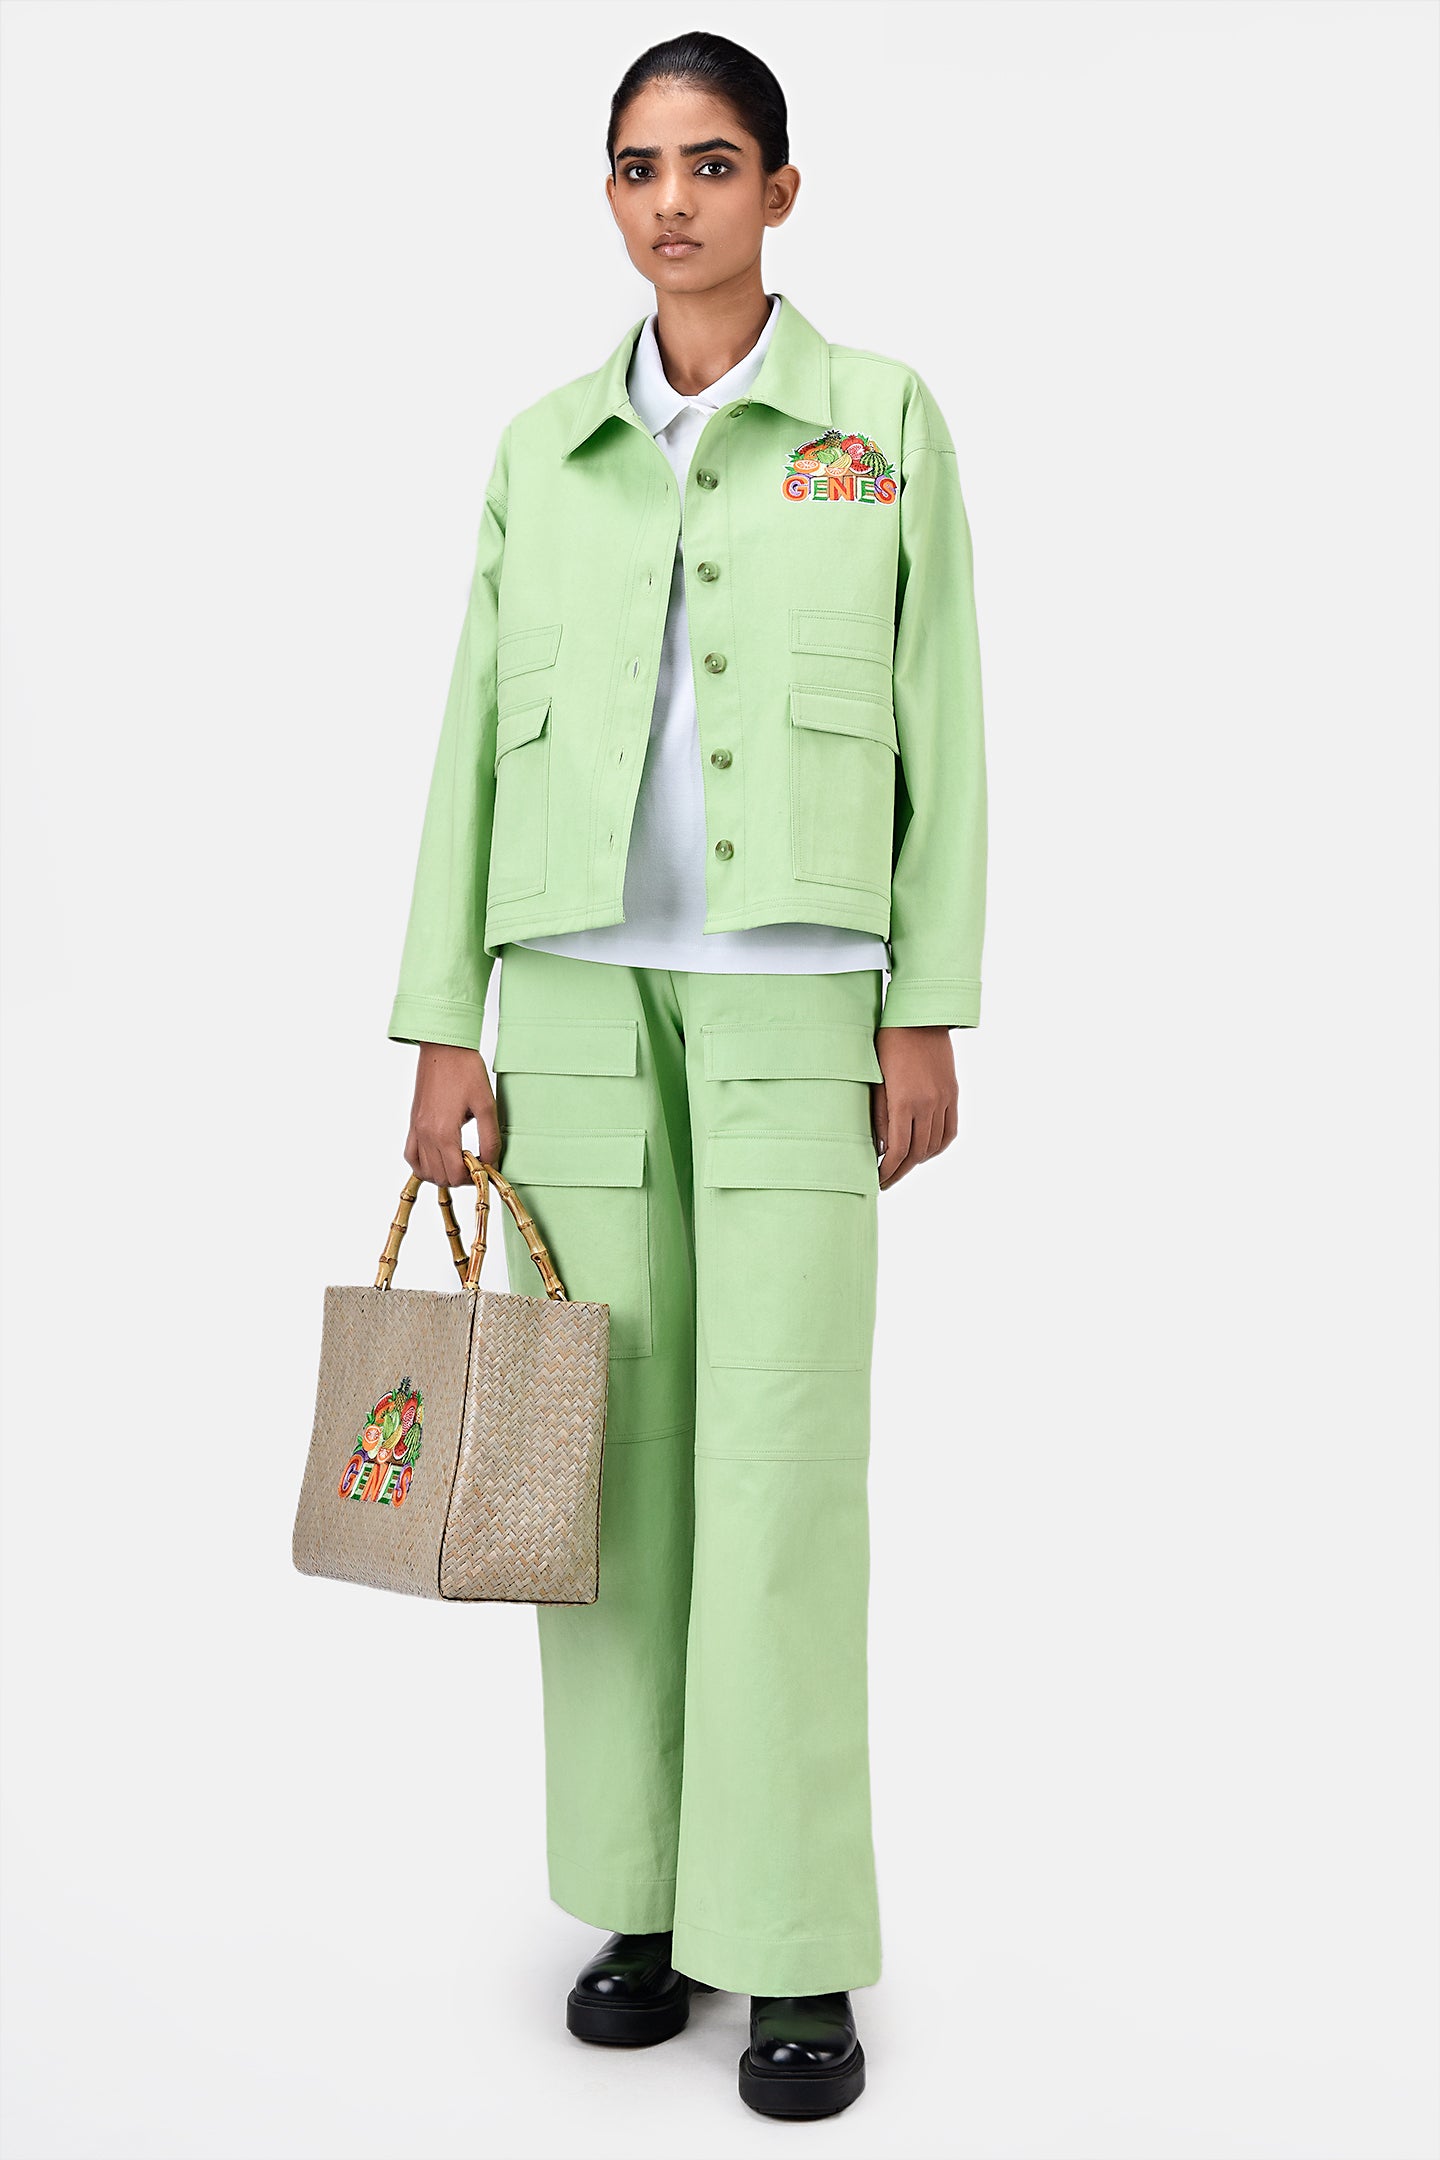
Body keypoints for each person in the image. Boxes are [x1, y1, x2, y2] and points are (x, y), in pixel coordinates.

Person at [387, 29, 986, 2123]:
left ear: (781, 192)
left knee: (783, 1473)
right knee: (597, 1477)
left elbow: (944, 718)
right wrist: (440, 1019)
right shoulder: (540, 446)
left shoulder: (877, 425)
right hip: (567, 1006)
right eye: (640, 165)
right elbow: (470, 731)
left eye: (714, 163)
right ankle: (642, 1903)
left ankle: (791, 1938)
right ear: (610, 193)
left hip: (797, 1001)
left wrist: (925, 1002)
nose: (674, 201)